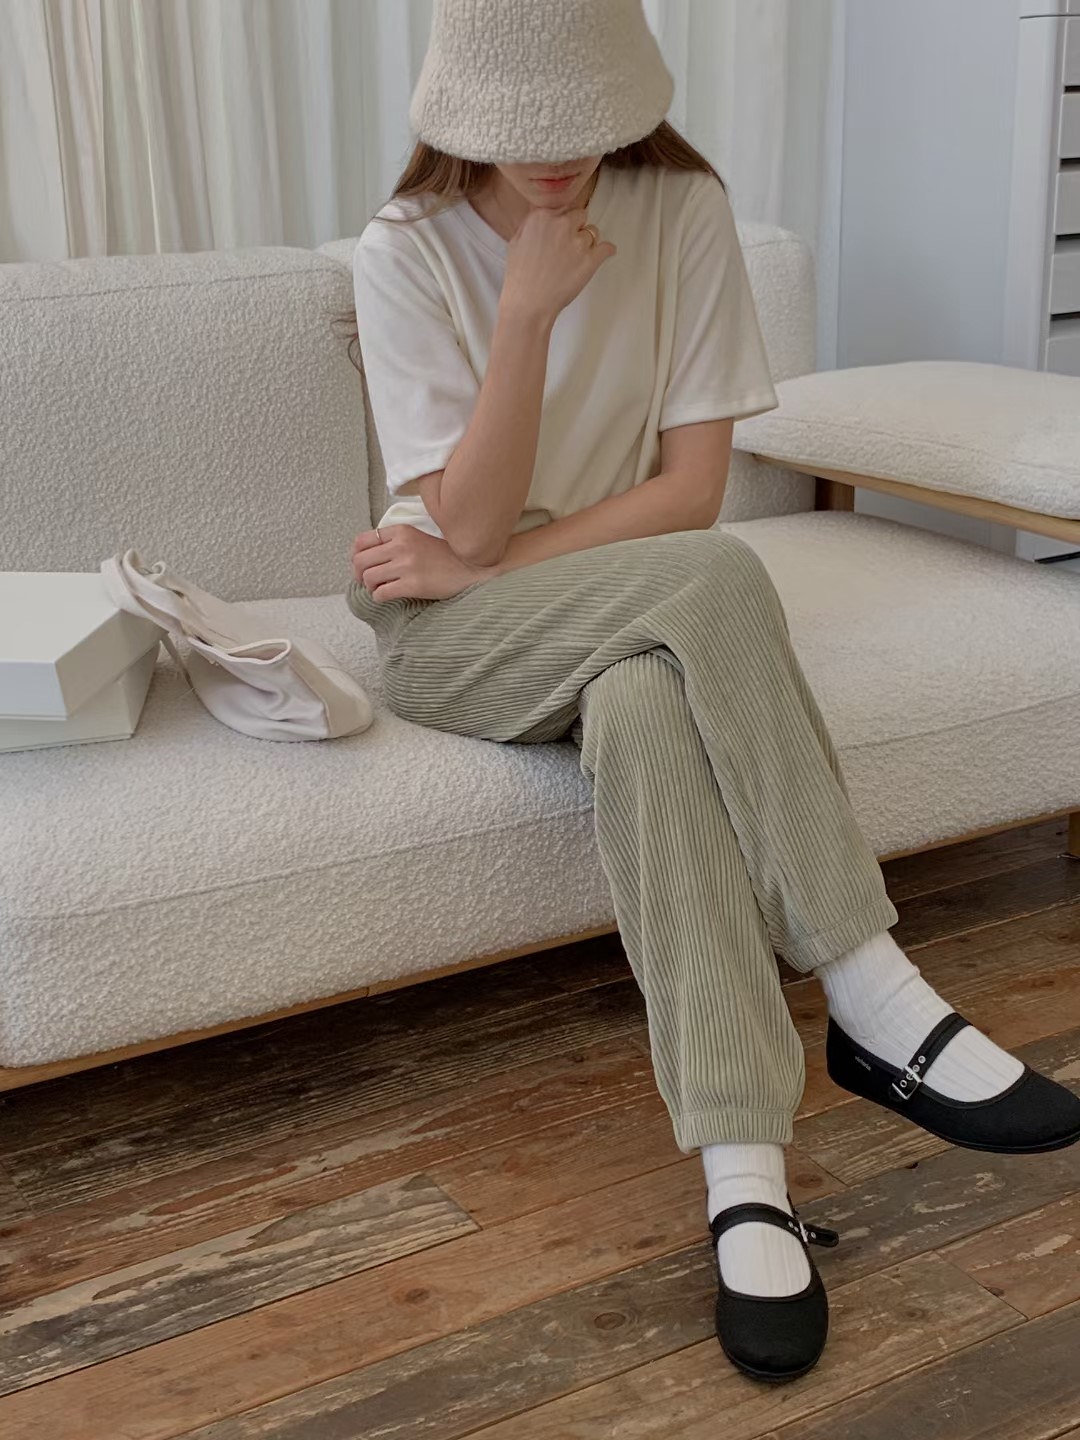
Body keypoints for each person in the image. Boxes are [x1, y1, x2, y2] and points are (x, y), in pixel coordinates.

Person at [344, 0, 1080, 1385]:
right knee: (717, 582)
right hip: (448, 630)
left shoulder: (683, 210)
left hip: (603, 590)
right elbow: (471, 522)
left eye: (583, 121)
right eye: (522, 130)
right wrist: (525, 313)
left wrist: (487, 564)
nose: (556, 154)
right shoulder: (406, 252)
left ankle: (747, 1175)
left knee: (646, 694)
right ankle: (871, 988)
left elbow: (689, 493)